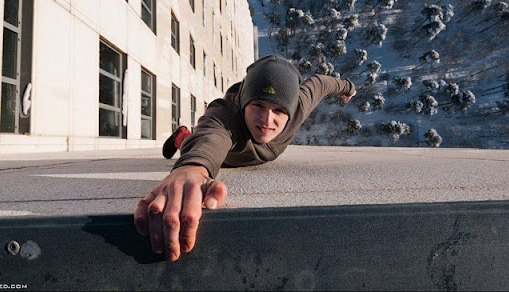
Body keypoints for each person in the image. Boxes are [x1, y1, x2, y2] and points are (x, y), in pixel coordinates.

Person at [134, 54, 356, 262]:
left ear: (290, 109)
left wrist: (348, 88)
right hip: (220, 152)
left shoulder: (300, 104)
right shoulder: (226, 115)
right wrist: (193, 168)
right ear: (243, 103)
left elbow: (323, 83)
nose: (266, 120)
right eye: (258, 105)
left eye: (278, 110)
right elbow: (211, 135)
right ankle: (181, 135)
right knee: (190, 143)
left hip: (228, 148)